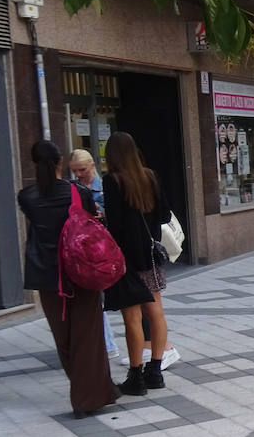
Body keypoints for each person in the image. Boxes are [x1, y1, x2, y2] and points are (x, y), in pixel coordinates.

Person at [17, 140, 118, 416]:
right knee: (87, 334)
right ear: (61, 161)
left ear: (33, 162)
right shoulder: (78, 192)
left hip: (48, 277)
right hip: (80, 272)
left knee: (64, 339)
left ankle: (90, 389)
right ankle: (88, 396)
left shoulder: (26, 197)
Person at [101, 132, 172, 394]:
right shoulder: (150, 176)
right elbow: (164, 214)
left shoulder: (112, 181)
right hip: (151, 258)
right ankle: (155, 372)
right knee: (156, 314)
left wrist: (104, 219)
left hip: (126, 260)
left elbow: (117, 226)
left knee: (131, 318)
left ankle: (135, 377)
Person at [68, 149, 119, 360]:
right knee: (94, 298)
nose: (79, 174)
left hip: (105, 250)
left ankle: (108, 345)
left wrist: (103, 215)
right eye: (74, 171)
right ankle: (106, 345)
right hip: (85, 251)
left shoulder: (104, 187)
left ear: (91, 165)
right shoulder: (72, 188)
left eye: (82, 169)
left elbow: (117, 217)